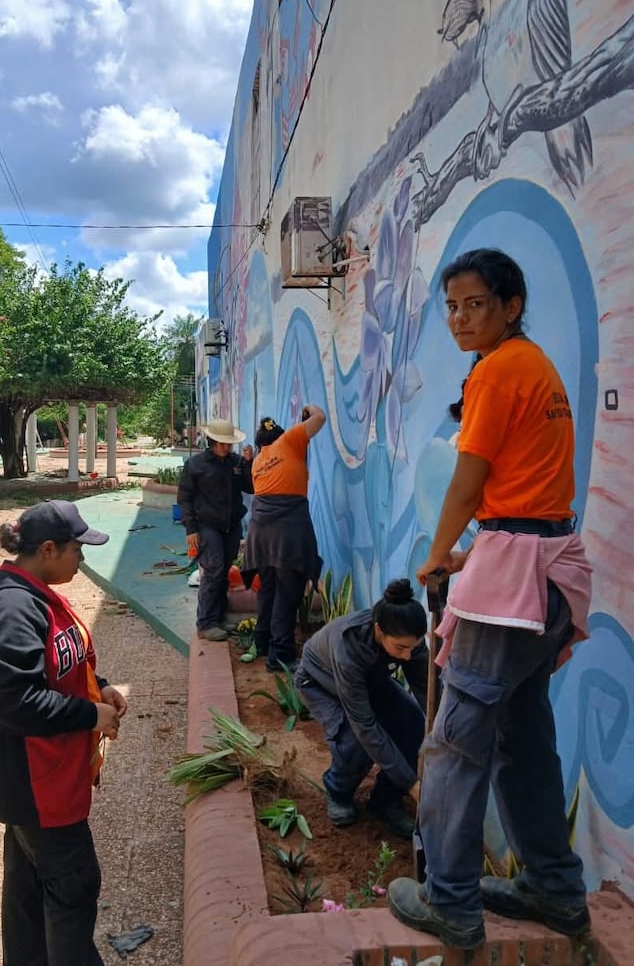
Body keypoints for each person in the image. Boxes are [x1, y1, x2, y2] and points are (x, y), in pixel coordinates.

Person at [387, 248, 592, 950]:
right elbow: (526, 496)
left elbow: (468, 484)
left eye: (475, 304)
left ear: (510, 304)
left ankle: (449, 901)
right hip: (546, 566)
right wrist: (477, 547)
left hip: (512, 589)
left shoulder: (500, 369)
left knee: (453, 743)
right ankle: (555, 888)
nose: (460, 318)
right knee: (521, 738)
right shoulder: (534, 365)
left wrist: (440, 552)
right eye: (451, 305)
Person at [0, 499, 127, 966]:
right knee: (74, 886)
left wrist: (103, 686)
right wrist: (89, 716)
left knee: (28, 893)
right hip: (37, 788)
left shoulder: (38, 591)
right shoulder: (13, 609)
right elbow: (16, 703)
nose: (83, 559)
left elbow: (59, 664)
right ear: (49, 549)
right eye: (79, 550)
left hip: (47, 782)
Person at [294, 578, 428, 839]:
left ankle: (385, 800)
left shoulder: (408, 640)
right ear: (379, 631)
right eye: (400, 648)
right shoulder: (349, 646)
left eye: (413, 647)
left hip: (370, 682)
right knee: (355, 739)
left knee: (412, 722)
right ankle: (339, 791)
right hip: (321, 683)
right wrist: (413, 783)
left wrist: (446, 733)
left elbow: (428, 692)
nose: (407, 656)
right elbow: (365, 725)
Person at [242, 405, 326, 671]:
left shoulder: (257, 462)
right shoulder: (289, 440)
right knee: (287, 592)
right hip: (286, 533)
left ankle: (263, 642)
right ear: (279, 435)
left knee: (268, 589)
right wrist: (309, 409)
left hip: (260, 535)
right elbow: (320, 418)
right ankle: (280, 655)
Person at [177, 418, 254, 641]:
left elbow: (250, 487)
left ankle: (219, 617)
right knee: (213, 570)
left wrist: (248, 464)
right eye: (221, 443)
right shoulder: (196, 465)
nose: (225, 447)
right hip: (207, 525)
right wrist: (191, 529)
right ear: (212, 441)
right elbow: (185, 498)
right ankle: (205, 623)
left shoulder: (237, 463)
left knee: (223, 571)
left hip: (231, 526)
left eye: (228, 444)